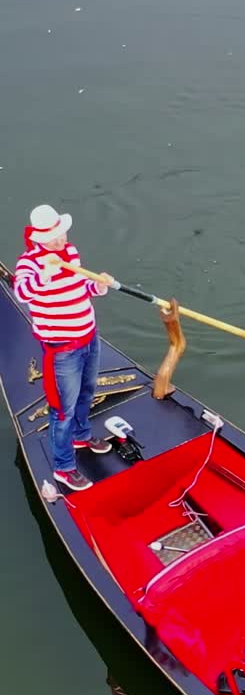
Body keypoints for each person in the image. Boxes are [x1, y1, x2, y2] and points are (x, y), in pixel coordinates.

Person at [12, 204, 117, 491]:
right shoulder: (29, 264)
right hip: (62, 349)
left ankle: (81, 436)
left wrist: (99, 285)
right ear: (38, 239)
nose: (61, 241)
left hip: (89, 337)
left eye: (62, 234)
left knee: (88, 391)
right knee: (62, 410)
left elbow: (81, 287)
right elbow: (22, 292)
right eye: (54, 238)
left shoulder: (70, 253)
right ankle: (64, 467)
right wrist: (44, 274)